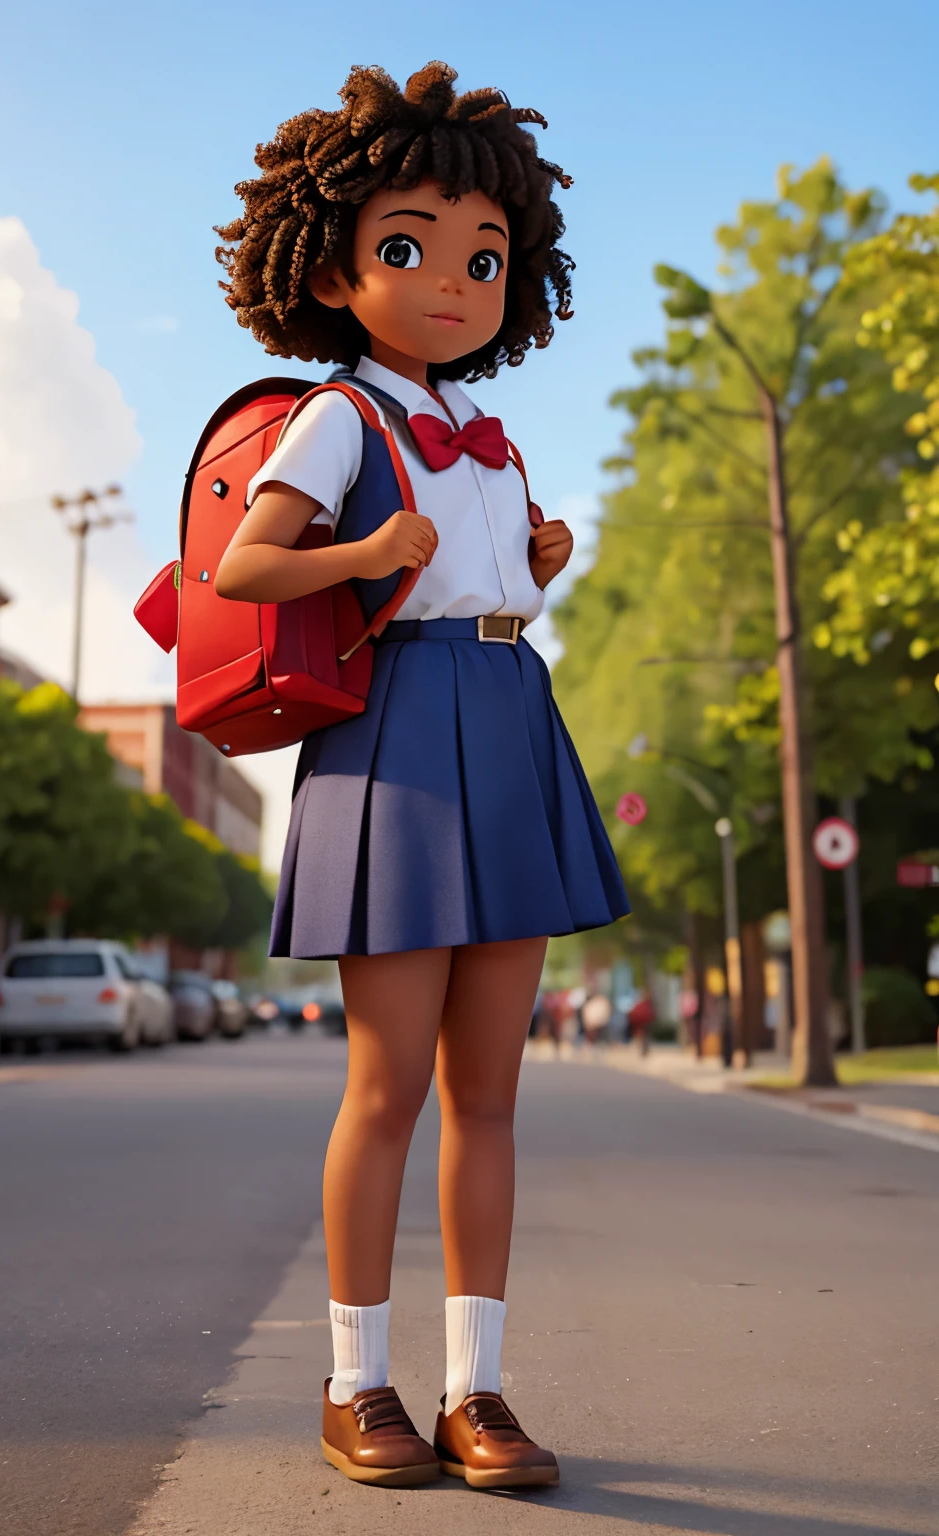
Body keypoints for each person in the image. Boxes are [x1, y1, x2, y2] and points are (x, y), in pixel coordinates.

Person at [215, 62, 629, 1492]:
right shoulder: (340, 416)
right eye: (408, 247)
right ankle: (354, 1383)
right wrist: (363, 555)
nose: (450, 282)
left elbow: (482, 578)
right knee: (387, 1082)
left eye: (482, 257)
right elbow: (244, 564)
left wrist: (534, 560)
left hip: (508, 714)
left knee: (492, 1093)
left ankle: (480, 1394)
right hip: (394, 735)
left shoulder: (498, 441)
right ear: (334, 266)